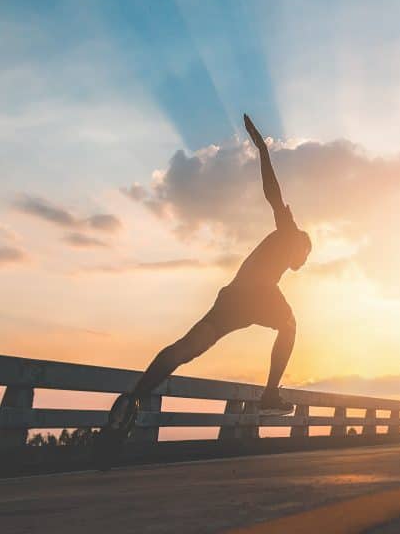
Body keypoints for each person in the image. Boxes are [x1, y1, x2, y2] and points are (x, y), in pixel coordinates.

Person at [94, 114, 311, 467]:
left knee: (186, 348)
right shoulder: (290, 232)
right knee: (289, 325)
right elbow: (273, 194)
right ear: (302, 245)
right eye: (305, 255)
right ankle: (271, 395)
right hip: (257, 294)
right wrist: (263, 150)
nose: (302, 261)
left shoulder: (282, 250)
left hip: (232, 299)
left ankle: (134, 398)